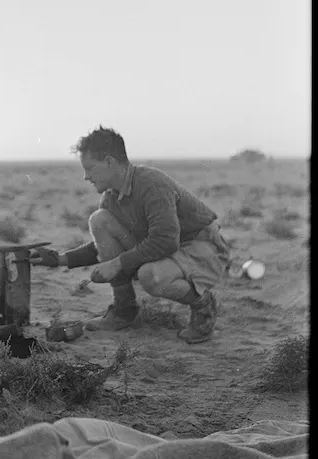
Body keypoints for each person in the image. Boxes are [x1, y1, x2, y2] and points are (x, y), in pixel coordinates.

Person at [30, 126, 230, 344]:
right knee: (99, 219)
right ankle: (124, 311)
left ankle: (204, 307)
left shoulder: (151, 184)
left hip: (201, 246)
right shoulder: (111, 197)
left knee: (150, 275)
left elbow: (165, 240)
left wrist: (117, 264)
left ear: (109, 162)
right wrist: (59, 259)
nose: (86, 177)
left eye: (89, 168)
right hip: (170, 249)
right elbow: (103, 245)